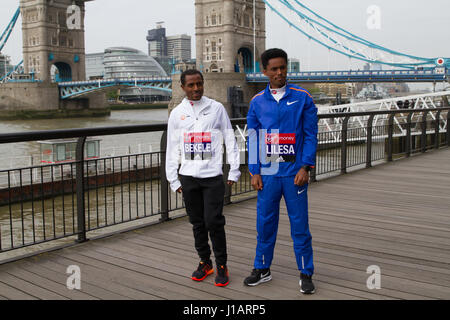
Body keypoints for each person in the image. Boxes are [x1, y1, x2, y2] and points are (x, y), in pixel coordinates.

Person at [243, 48, 318, 294]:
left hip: (294, 174)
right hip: (268, 174)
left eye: (282, 67)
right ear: (264, 71)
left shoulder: (303, 97)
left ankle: (306, 272)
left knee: (300, 226)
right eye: (273, 69)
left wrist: (306, 166)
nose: (279, 72)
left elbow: (310, 135)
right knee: (265, 224)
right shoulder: (256, 102)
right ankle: (262, 268)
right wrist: (254, 171)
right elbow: (253, 138)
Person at [165, 69, 241, 287]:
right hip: (188, 178)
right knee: (197, 223)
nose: (196, 88)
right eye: (191, 85)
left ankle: (222, 265)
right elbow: (172, 148)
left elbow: (230, 139)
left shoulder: (216, 109)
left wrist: (234, 171)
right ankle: (205, 262)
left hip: (212, 177)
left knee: (213, 222)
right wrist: (174, 180)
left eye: (199, 84)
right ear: (183, 88)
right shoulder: (177, 114)